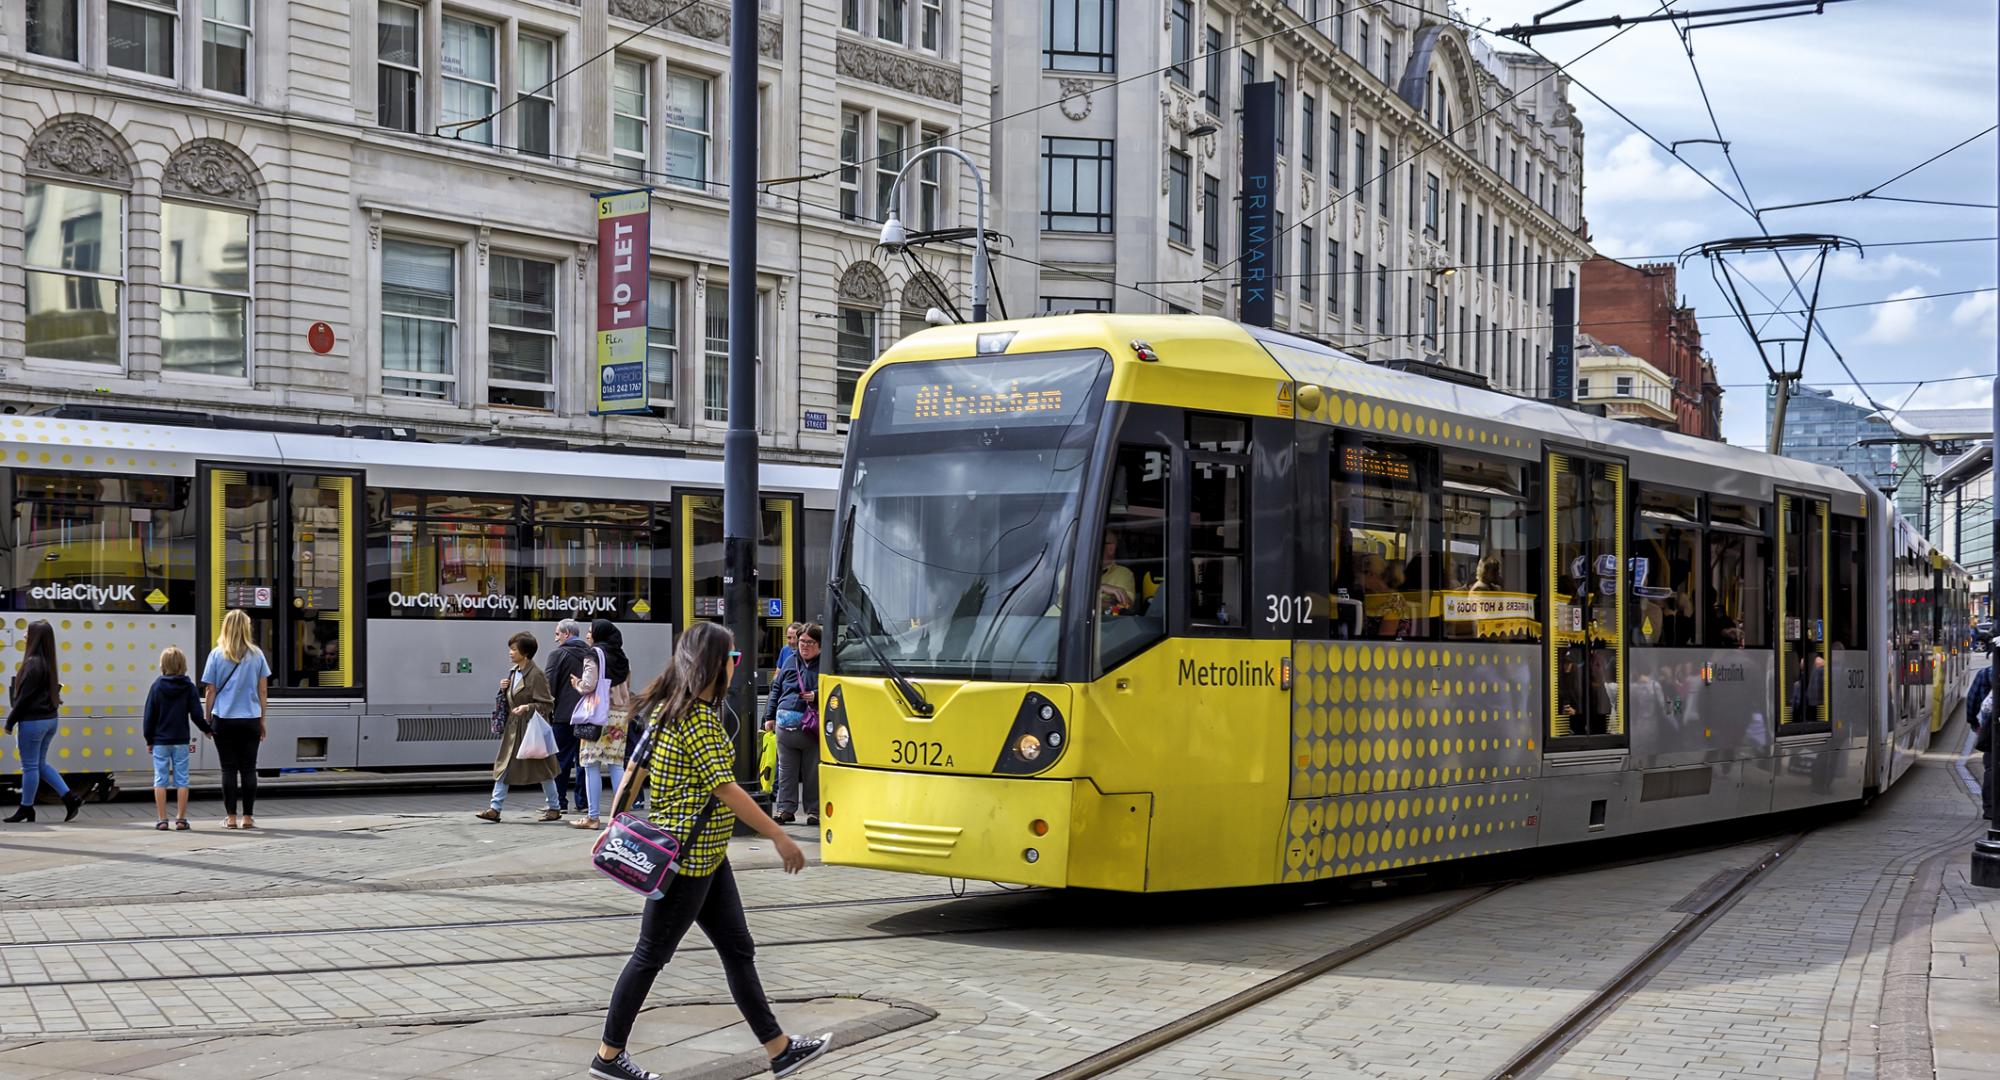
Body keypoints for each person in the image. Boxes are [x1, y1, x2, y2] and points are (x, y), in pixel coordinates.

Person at [591, 623, 830, 1080]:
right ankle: (607, 1057)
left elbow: (633, 771)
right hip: (686, 861)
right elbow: (725, 789)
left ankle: (779, 1049)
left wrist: (612, 824)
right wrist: (779, 837)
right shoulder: (696, 719)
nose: (735, 665)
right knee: (649, 956)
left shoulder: (666, 710)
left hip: (706, 857)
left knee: (738, 949)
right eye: (731, 658)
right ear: (713, 665)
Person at [479, 631, 562, 822]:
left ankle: (554, 807)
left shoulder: (536, 675)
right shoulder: (514, 672)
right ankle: (495, 808)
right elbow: (511, 698)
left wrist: (527, 707)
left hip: (531, 729)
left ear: (524, 653)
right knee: (504, 766)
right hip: (514, 728)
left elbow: (547, 704)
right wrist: (503, 689)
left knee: (544, 768)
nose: (510, 653)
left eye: (514, 649)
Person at [5, 620, 82, 824]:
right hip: (50, 720)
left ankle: (26, 808)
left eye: (27, 632)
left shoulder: (32, 663)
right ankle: (70, 797)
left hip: (34, 722)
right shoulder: (47, 661)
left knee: (29, 767)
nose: (23, 635)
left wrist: (9, 722)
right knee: (39, 764)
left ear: (35, 637)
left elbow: (23, 700)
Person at [201, 610, 271, 830]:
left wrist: (207, 718)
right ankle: (248, 818)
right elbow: (263, 691)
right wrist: (262, 719)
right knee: (249, 769)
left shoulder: (216, 654)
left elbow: (210, 690)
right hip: (250, 718)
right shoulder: (257, 655)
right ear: (246, 628)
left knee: (228, 769)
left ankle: (231, 818)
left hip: (223, 719)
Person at [572, 619, 634, 831]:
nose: (588, 635)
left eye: (590, 632)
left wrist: (577, 684)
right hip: (620, 715)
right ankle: (621, 816)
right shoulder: (622, 657)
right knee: (616, 765)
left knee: (591, 765)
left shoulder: (593, 655)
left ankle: (593, 817)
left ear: (598, 634)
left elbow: (589, 684)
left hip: (598, 714)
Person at [143, 646, 210, 831]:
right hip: (181, 739)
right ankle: (181, 819)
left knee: (160, 780)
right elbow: (197, 714)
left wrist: (149, 739)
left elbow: (149, 716)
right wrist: (207, 730)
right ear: (183, 664)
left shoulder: (156, 686)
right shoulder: (188, 686)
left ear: (163, 665)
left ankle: (162, 820)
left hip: (160, 741)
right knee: (182, 780)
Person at [764, 623, 822, 826]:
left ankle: (814, 811)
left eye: (810, 642)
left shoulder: (825, 665)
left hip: (811, 727)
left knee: (812, 771)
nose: (804, 646)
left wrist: (816, 695)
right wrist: (769, 717)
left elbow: (836, 690)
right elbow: (776, 690)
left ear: (820, 645)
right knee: (785, 771)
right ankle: (785, 810)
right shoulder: (790, 661)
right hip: (784, 726)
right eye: (802, 642)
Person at [546, 618, 592, 813]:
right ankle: (583, 802)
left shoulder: (557, 654)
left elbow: (549, 686)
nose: (556, 639)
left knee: (560, 760)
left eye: (557, 634)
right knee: (584, 761)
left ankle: (559, 803)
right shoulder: (592, 654)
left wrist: (549, 710)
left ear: (566, 634)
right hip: (587, 715)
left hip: (564, 716)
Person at [1099, 533, 1136, 613]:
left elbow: (1126, 608)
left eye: (1098, 543)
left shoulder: (1123, 573)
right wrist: (1100, 588)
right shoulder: (1072, 569)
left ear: (1111, 548)